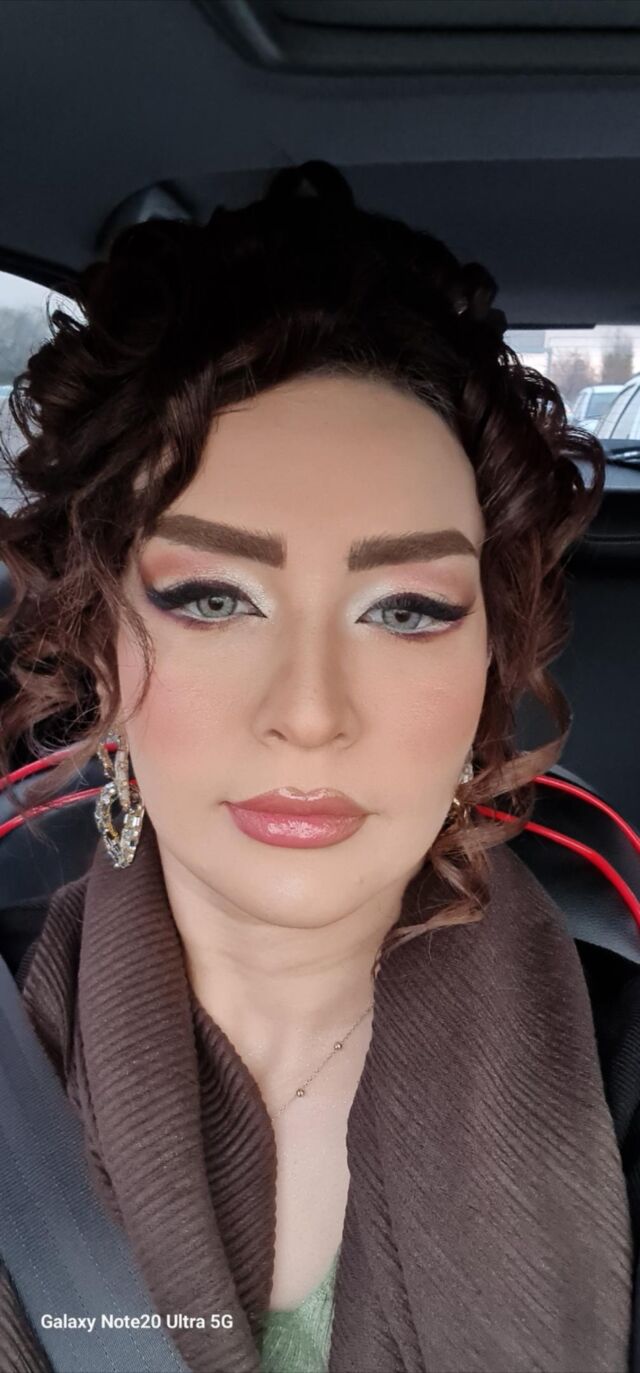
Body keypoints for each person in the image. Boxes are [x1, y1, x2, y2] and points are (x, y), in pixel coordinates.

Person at [0, 160, 633, 1373]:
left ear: (489, 666)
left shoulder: (620, 1085)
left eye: (404, 609)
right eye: (212, 597)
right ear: (98, 643)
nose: (307, 714)